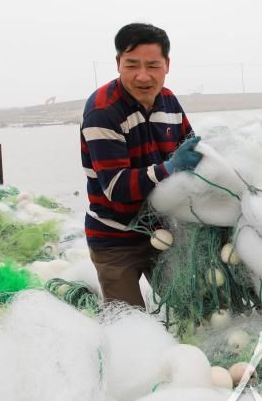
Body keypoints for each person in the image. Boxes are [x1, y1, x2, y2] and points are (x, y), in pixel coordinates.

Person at [81, 23, 202, 307]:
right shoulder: (103, 110)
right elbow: (116, 187)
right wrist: (170, 168)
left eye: (153, 65)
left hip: (163, 231)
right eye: (132, 65)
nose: (143, 76)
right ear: (118, 63)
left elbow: (190, 146)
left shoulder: (169, 102)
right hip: (115, 237)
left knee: (187, 307)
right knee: (128, 321)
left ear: (167, 65)